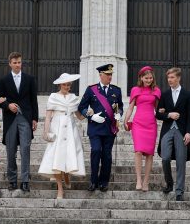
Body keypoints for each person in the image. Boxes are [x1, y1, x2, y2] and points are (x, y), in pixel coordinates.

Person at [0, 52, 38, 192]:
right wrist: (8, 105)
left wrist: (35, 119)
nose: (17, 65)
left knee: (25, 149)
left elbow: (34, 100)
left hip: (25, 118)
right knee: (11, 151)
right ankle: (12, 180)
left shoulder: (30, 79)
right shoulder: (3, 80)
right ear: (10, 64)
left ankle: (25, 181)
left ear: (21, 63)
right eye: (14, 62)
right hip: (10, 119)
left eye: (19, 62)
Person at [38, 73, 85, 199]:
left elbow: (79, 116)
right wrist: (45, 131)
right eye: (64, 84)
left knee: (69, 155)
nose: (67, 86)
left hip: (71, 129)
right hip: (57, 129)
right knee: (57, 157)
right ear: (60, 85)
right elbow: (48, 117)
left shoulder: (73, 97)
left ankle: (66, 175)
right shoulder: (53, 97)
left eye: (69, 84)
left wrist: (89, 113)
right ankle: (60, 188)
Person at [78, 64, 123, 192]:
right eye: (107, 74)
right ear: (101, 75)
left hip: (109, 128)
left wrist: (119, 114)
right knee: (96, 151)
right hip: (95, 128)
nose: (110, 77)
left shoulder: (116, 90)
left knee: (106, 155)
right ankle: (93, 181)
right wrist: (90, 117)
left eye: (111, 74)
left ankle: (104, 182)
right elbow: (82, 107)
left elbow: (120, 106)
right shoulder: (92, 89)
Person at [156, 67, 190, 201]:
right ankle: (169, 183)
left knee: (180, 161)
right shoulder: (164, 94)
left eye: (172, 77)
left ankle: (179, 191)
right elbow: (158, 114)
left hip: (182, 131)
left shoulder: (188, 94)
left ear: (178, 78)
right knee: (165, 157)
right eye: (168, 78)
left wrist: (189, 133)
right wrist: (168, 114)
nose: (169, 80)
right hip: (167, 130)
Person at [123, 66, 161, 191]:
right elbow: (130, 107)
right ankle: (138, 179)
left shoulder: (156, 91)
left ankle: (146, 182)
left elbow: (158, 109)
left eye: (150, 78)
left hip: (151, 124)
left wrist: (165, 112)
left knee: (149, 154)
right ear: (141, 78)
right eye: (146, 78)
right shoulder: (135, 90)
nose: (149, 80)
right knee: (138, 151)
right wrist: (126, 120)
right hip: (138, 123)